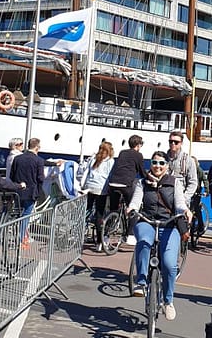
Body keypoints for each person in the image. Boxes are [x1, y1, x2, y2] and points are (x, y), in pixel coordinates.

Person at [128, 151, 189, 321]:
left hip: (169, 225)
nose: (158, 166)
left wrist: (184, 211)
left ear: (167, 166)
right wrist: (131, 209)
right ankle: (141, 282)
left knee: (170, 265)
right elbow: (136, 200)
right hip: (147, 222)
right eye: (154, 162)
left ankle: (168, 302)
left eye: (162, 163)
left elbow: (179, 203)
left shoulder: (174, 183)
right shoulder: (142, 183)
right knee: (144, 242)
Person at [10, 138, 45, 247]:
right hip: (31, 192)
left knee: (17, 214)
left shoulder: (17, 158)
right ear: (37, 147)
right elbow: (40, 178)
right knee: (26, 216)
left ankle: (17, 236)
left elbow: (12, 175)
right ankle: (20, 239)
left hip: (18, 191)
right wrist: (38, 192)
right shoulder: (38, 160)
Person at [82, 141, 115, 247]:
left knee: (87, 210)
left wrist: (83, 186)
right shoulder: (110, 161)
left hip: (89, 187)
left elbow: (86, 172)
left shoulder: (94, 158)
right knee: (99, 214)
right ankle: (99, 242)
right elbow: (110, 175)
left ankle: (81, 232)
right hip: (101, 189)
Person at [166, 131, 198, 206]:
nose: (173, 144)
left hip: (180, 201)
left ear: (181, 143)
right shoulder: (163, 159)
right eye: (171, 141)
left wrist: (184, 199)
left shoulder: (188, 160)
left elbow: (193, 182)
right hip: (164, 201)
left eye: (176, 142)